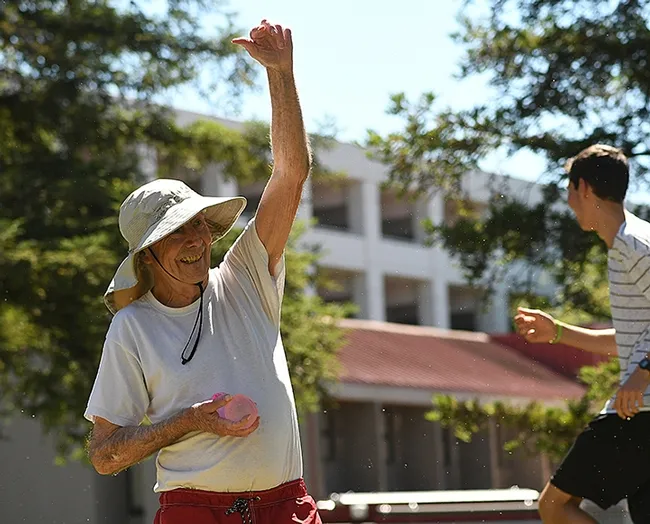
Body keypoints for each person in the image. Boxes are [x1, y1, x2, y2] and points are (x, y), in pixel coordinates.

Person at [84, 20, 322, 524]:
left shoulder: (245, 278)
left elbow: (290, 174)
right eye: (176, 233)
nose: (196, 241)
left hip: (287, 505)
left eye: (199, 226)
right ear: (146, 255)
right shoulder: (133, 328)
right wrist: (188, 422)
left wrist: (281, 74)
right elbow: (105, 455)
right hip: (194, 511)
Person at [514, 144, 650, 523]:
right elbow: (631, 342)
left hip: (640, 414)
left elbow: (641, 357)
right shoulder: (632, 240)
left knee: (554, 505)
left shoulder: (632, 245)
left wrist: (641, 375)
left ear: (585, 188)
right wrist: (557, 332)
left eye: (570, 190)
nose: (570, 201)